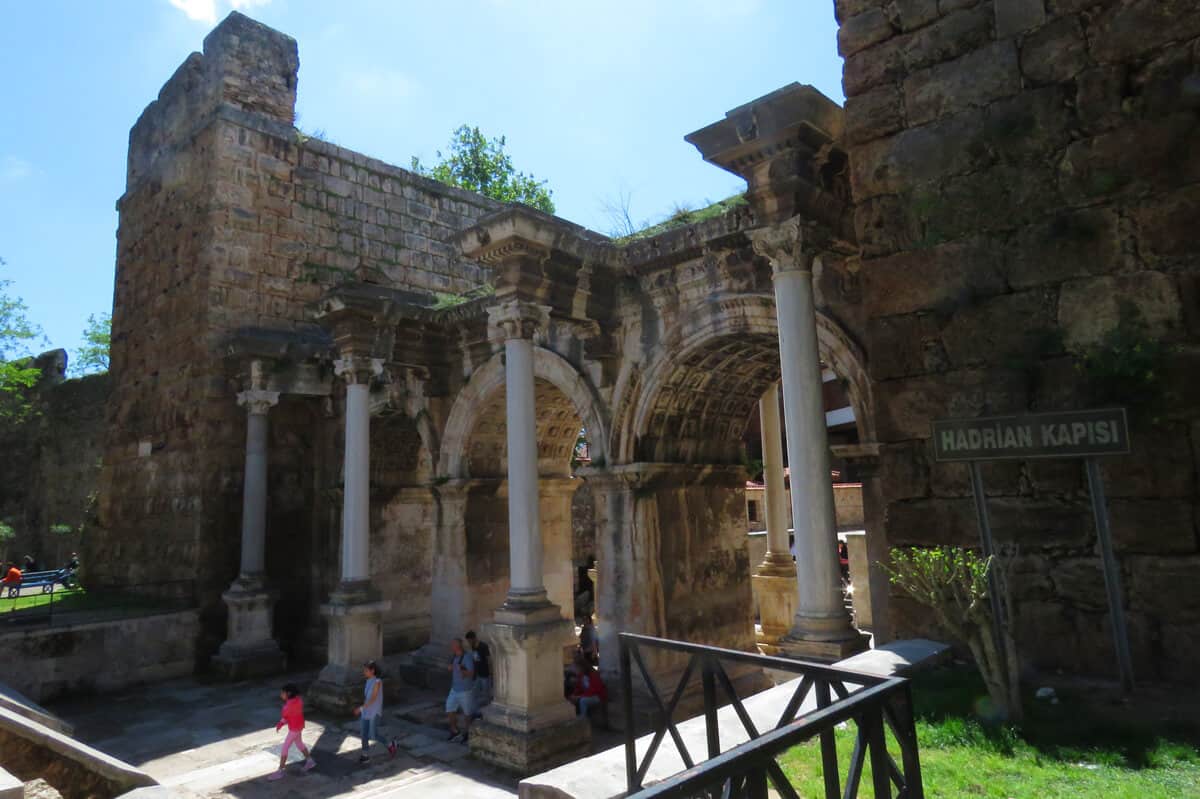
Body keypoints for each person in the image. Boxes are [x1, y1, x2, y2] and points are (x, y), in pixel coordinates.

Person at [267, 683, 316, 780]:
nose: (281, 695)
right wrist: (281, 723)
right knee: (299, 744)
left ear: (288, 694)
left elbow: (286, 717)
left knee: (285, 748)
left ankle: (280, 771)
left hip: (294, 729)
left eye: (282, 693)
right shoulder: (298, 700)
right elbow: (291, 715)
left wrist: (280, 724)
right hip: (299, 726)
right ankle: (310, 761)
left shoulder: (288, 706)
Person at [353, 661, 397, 763]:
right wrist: (363, 709)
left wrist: (360, 709)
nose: (364, 672)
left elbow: (373, 698)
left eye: (366, 670)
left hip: (374, 712)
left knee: (373, 735)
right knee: (364, 734)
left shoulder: (377, 681)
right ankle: (365, 755)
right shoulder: (368, 681)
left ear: (372, 670)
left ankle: (390, 744)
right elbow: (367, 698)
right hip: (366, 711)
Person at [445, 638, 475, 743]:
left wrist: (462, 670)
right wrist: (451, 667)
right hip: (454, 689)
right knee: (449, 709)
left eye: (453, 644)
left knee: (467, 713)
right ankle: (455, 731)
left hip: (465, 690)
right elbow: (452, 668)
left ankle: (467, 734)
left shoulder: (467, 657)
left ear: (457, 646)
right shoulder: (454, 656)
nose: (451, 646)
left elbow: (471, 673)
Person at [569, 653, 608, 727]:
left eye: (577, 667)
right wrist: (574, 695)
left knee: (583, 701)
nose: (576, 669)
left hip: (598, 696)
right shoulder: (581, 675)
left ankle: (582, 720)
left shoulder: (593, 674)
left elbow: (593, 690)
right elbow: (578, 688)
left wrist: (579, 697)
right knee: (574, 699)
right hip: (588, 695)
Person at [464, 630, 491, 710]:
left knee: (486, 691)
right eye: (468, 641)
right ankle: (474, 707)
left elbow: (488, 659)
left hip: (485, 672)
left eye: (470, 640)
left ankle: (488, 706)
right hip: (477, 673)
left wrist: (490, 671)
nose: (469, 642)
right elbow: (475, 659)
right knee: (475, 691)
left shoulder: (483, 646)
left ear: (474, 638)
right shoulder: (473, 647)